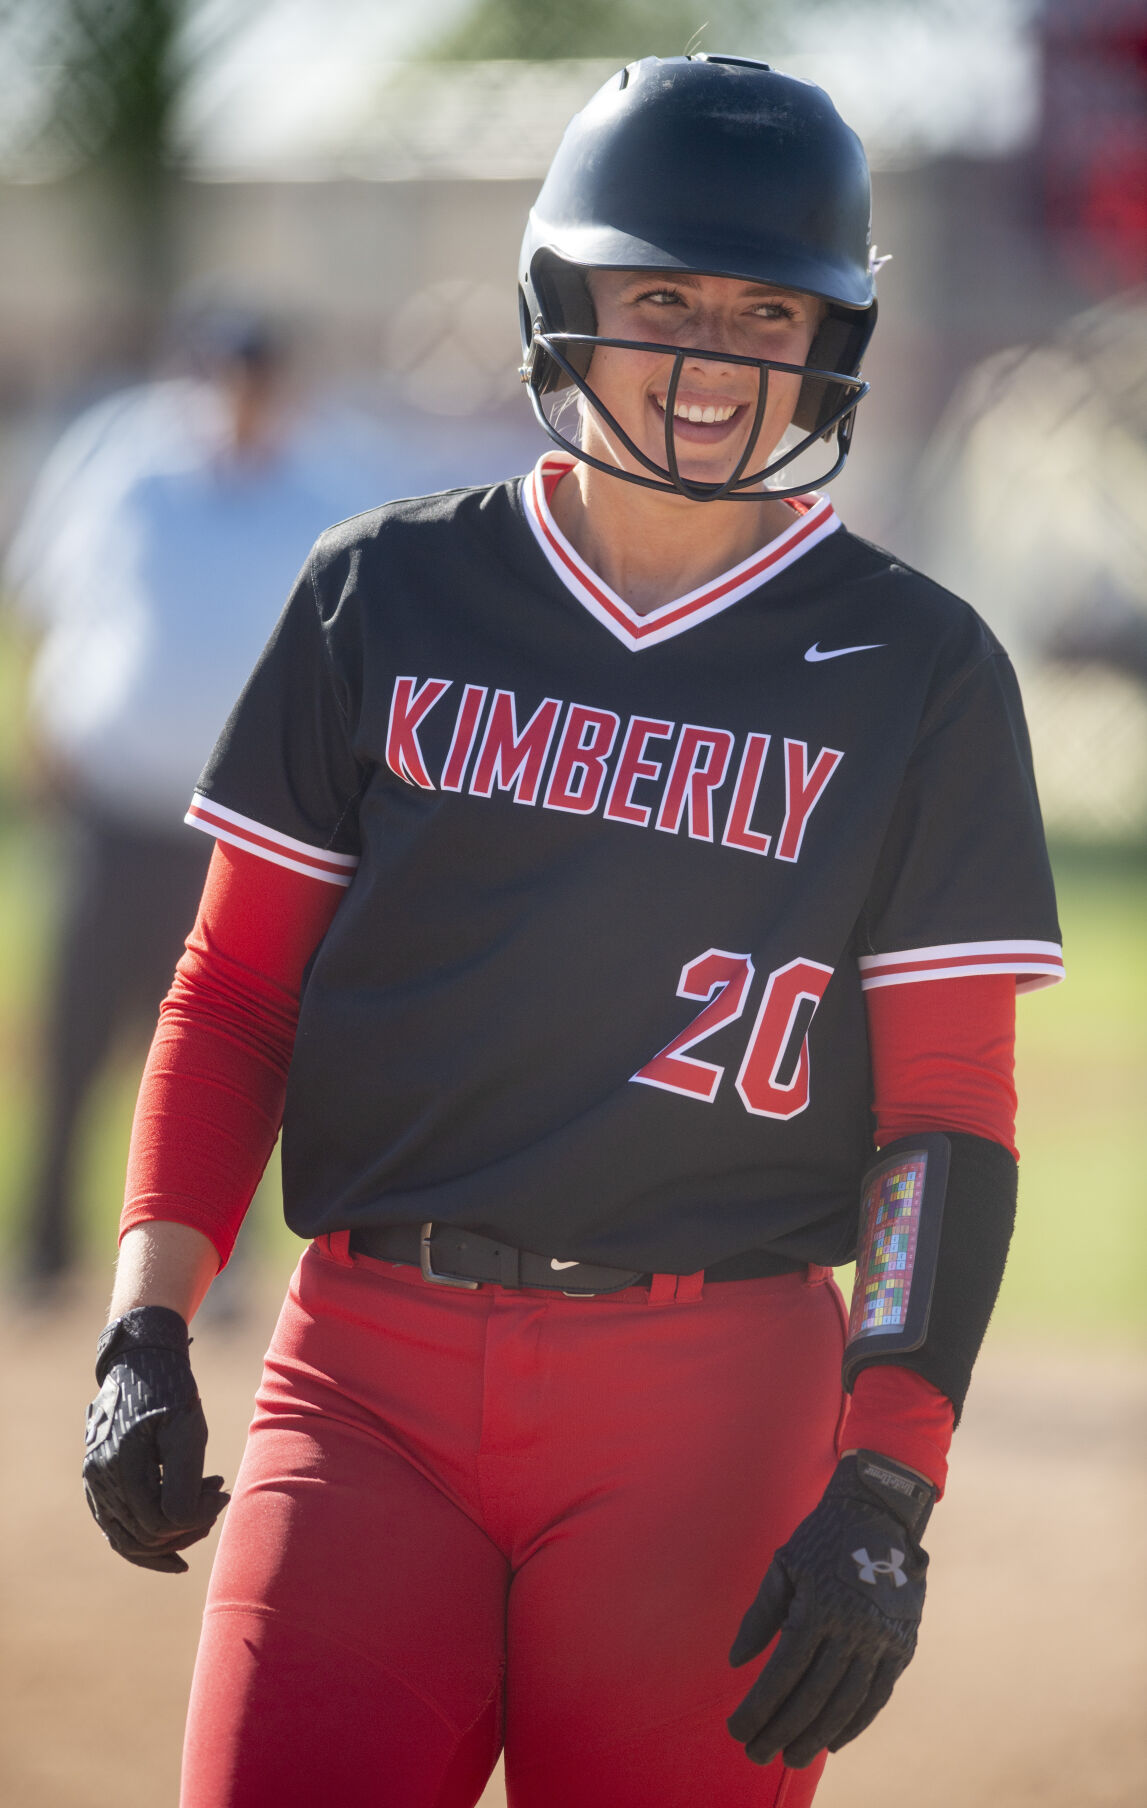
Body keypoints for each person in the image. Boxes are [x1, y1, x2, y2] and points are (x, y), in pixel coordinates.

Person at [81, 57, 1063, 1808]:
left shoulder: (920, 671)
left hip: (715, 1400)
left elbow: (941, 1125)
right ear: (564, 306)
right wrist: (148, 1320)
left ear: (825, 344)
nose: (706, 357)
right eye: (659, 296)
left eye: (765, 309)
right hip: (362, 1374)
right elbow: (235, 993)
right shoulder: (384, 592)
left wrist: (888, 1479)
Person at [6, 307, 392, 1298]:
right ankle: (43, 1254)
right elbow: (53, 602)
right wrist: (51, 730)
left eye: (258, 377)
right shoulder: (131, 467)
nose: (240, 397)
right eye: (225, 375)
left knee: (240, 1043)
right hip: (116, 801)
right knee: (78, 1036)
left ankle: (220, 1269)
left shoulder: (326, 489)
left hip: (250, 826)